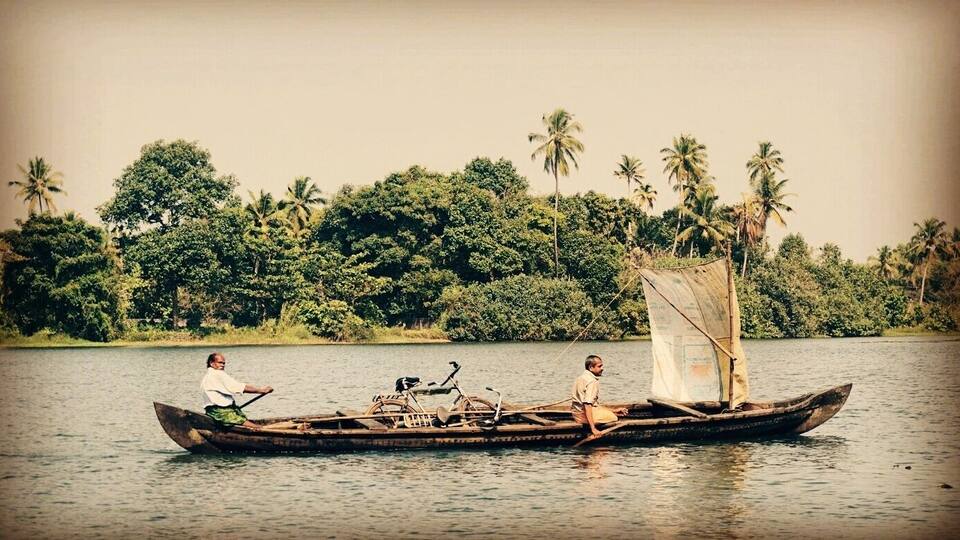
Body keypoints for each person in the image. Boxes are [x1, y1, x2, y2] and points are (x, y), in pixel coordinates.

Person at [201, 352, 273, 429]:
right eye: (220, 363)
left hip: (215, 411)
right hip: (220, 412)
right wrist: (261, 390)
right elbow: (239, 387)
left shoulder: (208, 376)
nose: (222, 365)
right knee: (258, 427)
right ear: (211, 363)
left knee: (246, 421)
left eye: (224, 363)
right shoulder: (217, 374)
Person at [571, 355, 628, 436]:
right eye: (599, 366)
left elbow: (593, 405)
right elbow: (587, 405)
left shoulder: (580, 378)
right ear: (591, 367)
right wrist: (593, 428)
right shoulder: (592, 382)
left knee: (611, 413)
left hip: (576, 415)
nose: (602, 368)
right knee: (614, 418)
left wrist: (614, 410)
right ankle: (599, 419)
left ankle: (611, 413)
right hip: (583, 417)